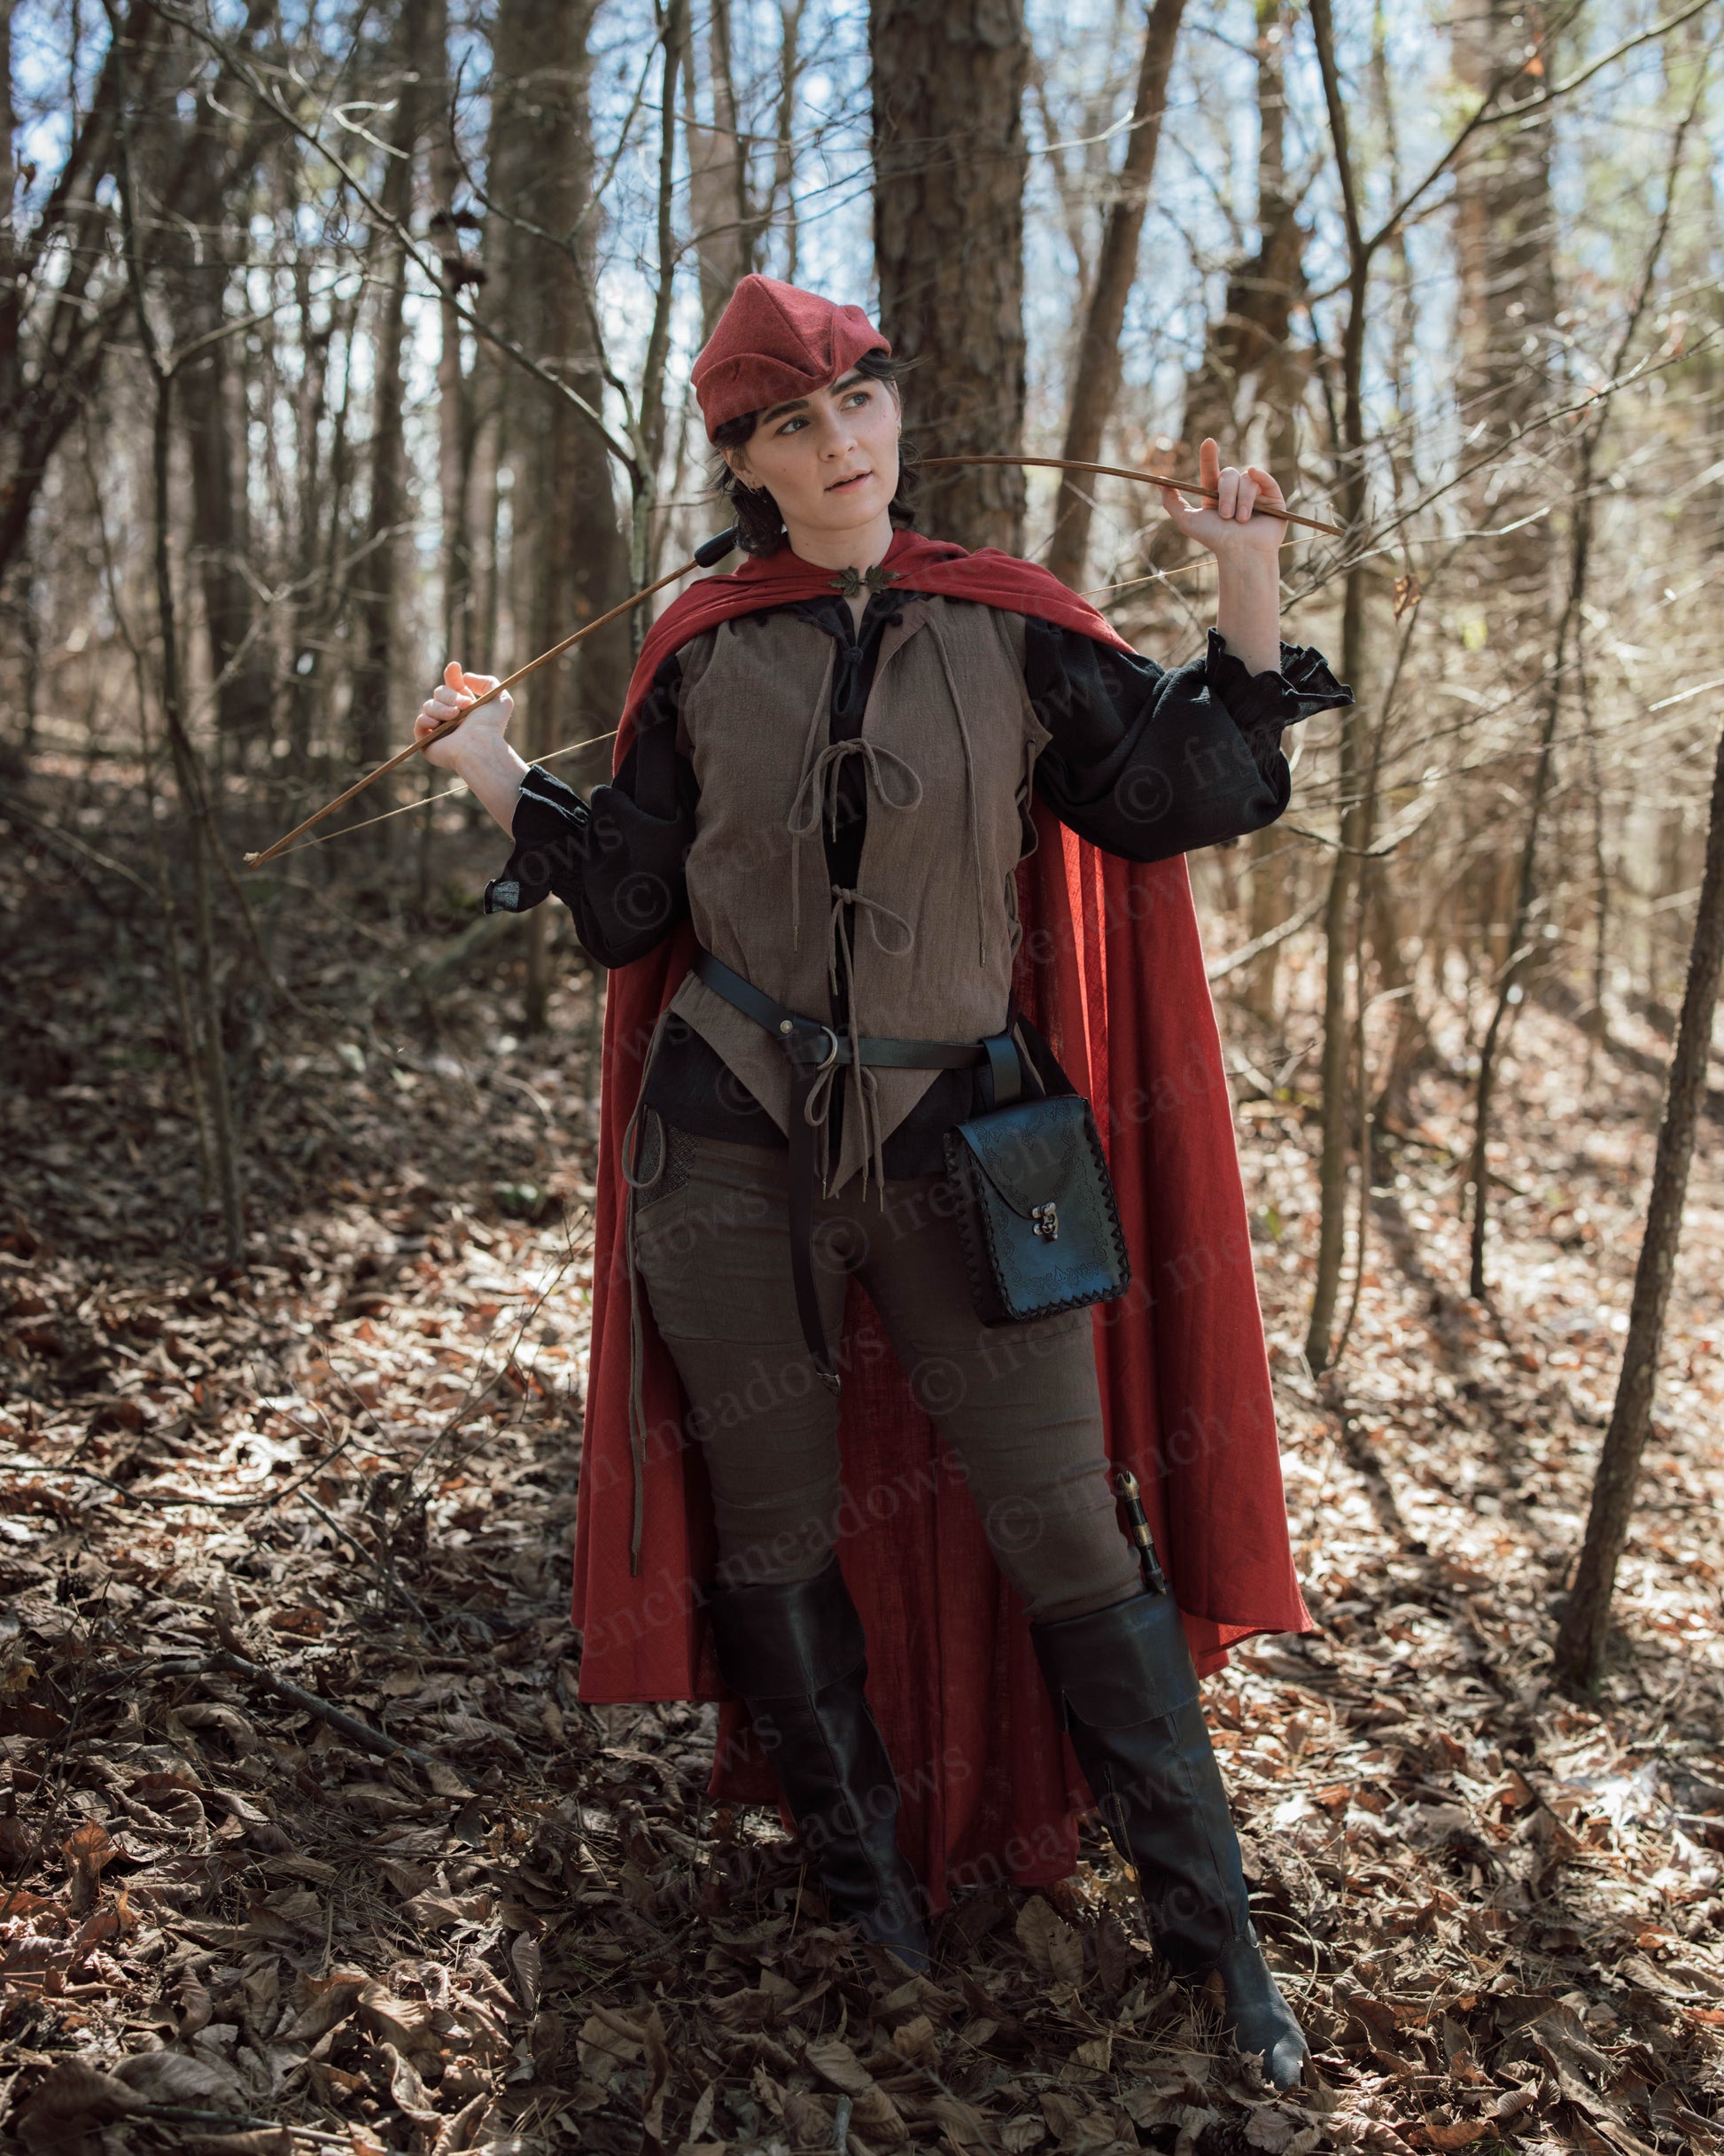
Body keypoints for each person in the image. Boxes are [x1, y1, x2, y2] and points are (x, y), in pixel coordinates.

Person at [415, 276, 1349, 2089]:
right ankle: (868, 1903)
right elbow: (628, 902)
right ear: (745, 462)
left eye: (858, 398)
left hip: (955, 1145)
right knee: (772, 1526)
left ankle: (1215, 1948)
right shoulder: (700, 641)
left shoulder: (1009, 624)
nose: (838, 441)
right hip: (724, 1139)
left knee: (1068, 1521)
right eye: (790, 421)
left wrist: (1246, 580)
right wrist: (490, 773)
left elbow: (1177, 792)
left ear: (895, 409)